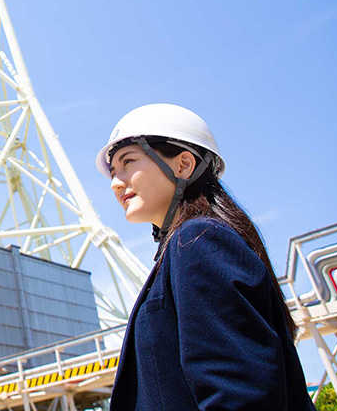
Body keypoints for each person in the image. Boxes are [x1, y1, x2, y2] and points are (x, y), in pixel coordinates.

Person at [99, 103, 313, 411]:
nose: (116, 183)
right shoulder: (187, 249)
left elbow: (239, 396)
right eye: (113, 171)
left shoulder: (200, 241)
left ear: (184, 164)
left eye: (127, 161)